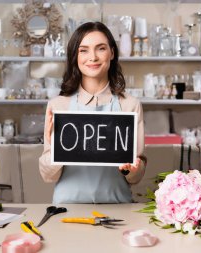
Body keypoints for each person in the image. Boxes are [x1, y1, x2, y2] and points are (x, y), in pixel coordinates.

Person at [39, 22, 145, 204]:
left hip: (118, 209)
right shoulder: (58, 106)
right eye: (84, 50)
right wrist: (56, 150)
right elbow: (47, 177)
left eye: (101, 48)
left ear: (111, 53)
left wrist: (131, 168)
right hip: (67, 209)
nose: (93, 57)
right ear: (75, 56)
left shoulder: (130, 105)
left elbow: (136, 176)